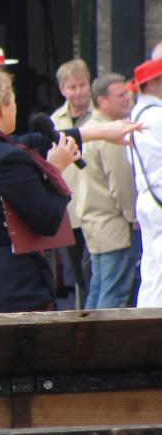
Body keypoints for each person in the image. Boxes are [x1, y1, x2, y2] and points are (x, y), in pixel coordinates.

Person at [0, 68, 84, 313]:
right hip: (15, 287)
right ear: (0, 108)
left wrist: (98, 132)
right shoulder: (6, 159)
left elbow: (25, 142)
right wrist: (55, 168)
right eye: (12, 101)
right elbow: (48, 219)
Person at [79, 73, 140, 309]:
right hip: (116, 227)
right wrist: (134, 217)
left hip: (96, 225)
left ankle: (82, 343)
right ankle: (100, 345)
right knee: (113, 296)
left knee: (97, 292)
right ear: (101, 100)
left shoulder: (89, 128)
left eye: (128, 93)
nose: (128, 98)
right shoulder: (109, 133)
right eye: (121, 94)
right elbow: (122, 182)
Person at [51, 58, 94, 307]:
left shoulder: (98, 118)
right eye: (72, 87)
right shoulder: (55, 121)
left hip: (95, 207)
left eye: (82, 85)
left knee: (95, 273)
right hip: (70, 209)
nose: (78, 92)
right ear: (62, 90)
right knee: (76, 273)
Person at [129, 57, 162, 307]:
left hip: (146, 198)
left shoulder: (135, 116)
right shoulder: (157, 116)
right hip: (159, 198)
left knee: (151, 269)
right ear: (152, 84)